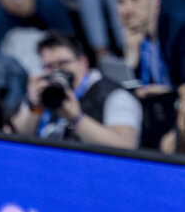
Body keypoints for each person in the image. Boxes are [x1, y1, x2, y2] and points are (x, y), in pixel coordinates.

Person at [11, 29, 141, 146]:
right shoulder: (45, 92)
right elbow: (9, 138)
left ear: (83, 62)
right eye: (49, 66)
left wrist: (77, 119)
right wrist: (34, 107)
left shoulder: (114, 95)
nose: (57, 72)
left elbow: (125, 145)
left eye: (63, 63)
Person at [115, 0, 181, 88]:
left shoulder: (179, 33)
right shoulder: (137, 40)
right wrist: (131, 58)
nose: (127, 10)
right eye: (121, 2)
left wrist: (167, 93)